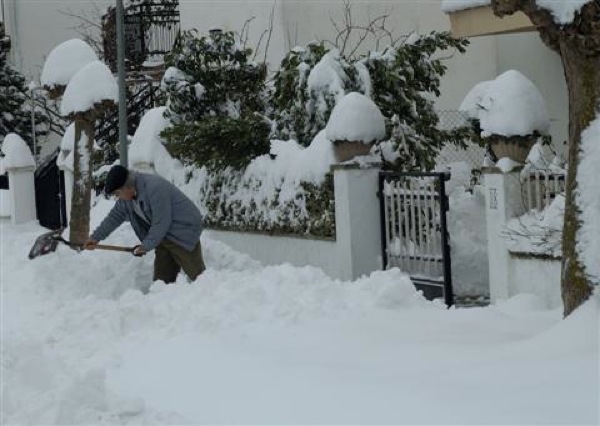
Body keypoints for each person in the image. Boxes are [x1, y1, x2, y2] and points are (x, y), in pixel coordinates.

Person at [84, 165, 206, 284]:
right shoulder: (127, 199)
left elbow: (161, 223)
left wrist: (145, 246)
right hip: (164, 235)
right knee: (162, 281)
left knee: (198, 276)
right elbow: (114, 217)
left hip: (184, 230)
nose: (117, 197)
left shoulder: (154, 188)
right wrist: (95, 238)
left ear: (127, 187)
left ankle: (211, 297)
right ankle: (162, 298)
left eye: (117, 193)